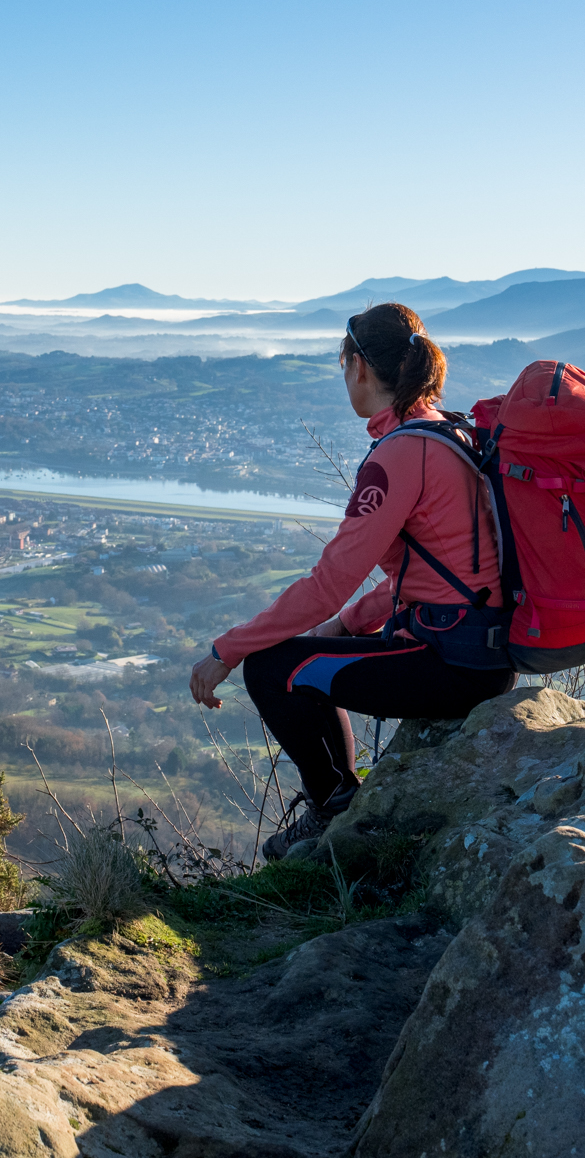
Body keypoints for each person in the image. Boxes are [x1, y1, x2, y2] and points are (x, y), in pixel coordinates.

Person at [187, 302, 517, 860]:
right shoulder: (446, 435)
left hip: (451, 662)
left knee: (273, 667)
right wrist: (347, 625)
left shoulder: (401, 454)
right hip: (480, 651)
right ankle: (339, 800)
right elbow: (436, 578)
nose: (345, 378)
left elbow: (327, 582)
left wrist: (228, 650)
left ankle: (333, 809)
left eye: (344, 366)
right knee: (306, 653)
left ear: (359, 367)